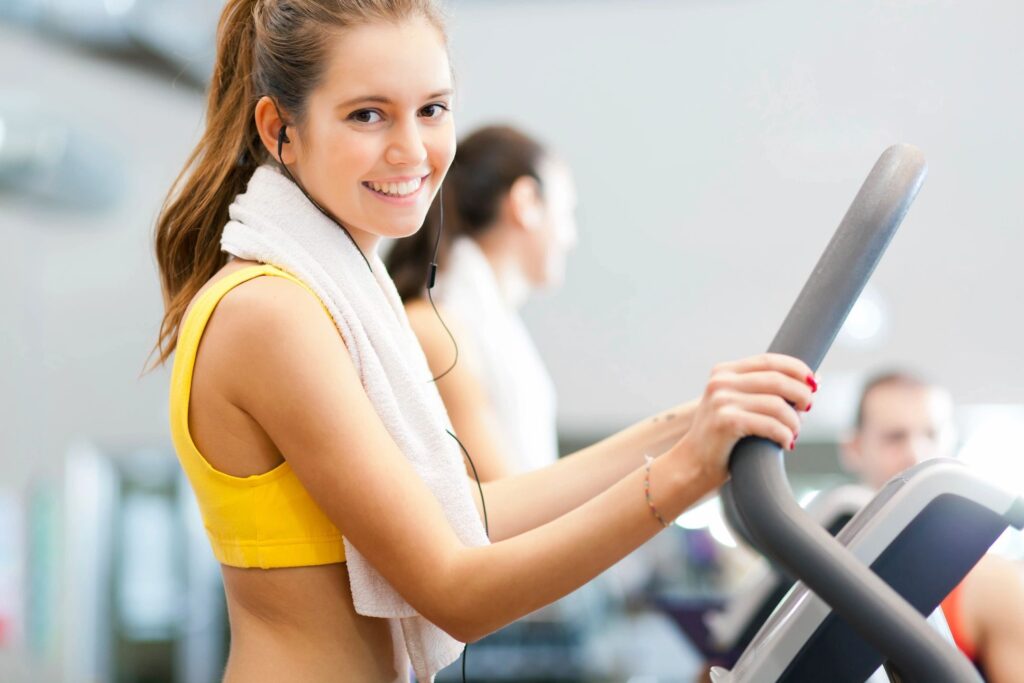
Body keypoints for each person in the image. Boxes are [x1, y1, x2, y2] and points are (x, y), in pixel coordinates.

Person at [150, 1, 814, 681]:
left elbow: (471, 514)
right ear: (279, 127)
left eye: (432, 109)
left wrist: (687, 424)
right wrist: (684, 473)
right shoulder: (272, 312)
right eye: (367, 114)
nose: (412, 149)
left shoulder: (335, 294)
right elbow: (455, 589)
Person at [387, 124, 576, 480]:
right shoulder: (436, 329)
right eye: (567, 213)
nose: (571, 237)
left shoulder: (480, 325)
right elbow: (497, 498)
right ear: (526, 203)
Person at [841, 371, 1024, 682]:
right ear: (855, 449)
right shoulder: (825, 574)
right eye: (894, 437)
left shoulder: (993, 584)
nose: (916, 453)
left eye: (931, 434)